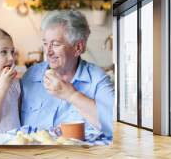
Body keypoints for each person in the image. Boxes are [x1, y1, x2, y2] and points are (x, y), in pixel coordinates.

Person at [20, 10, 115, 139]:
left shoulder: (97, 79)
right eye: (45, 43)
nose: (48, 52)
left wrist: (71, 95)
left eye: (55, 44)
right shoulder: (30, 76)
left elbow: (114, 126)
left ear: (78, 48)